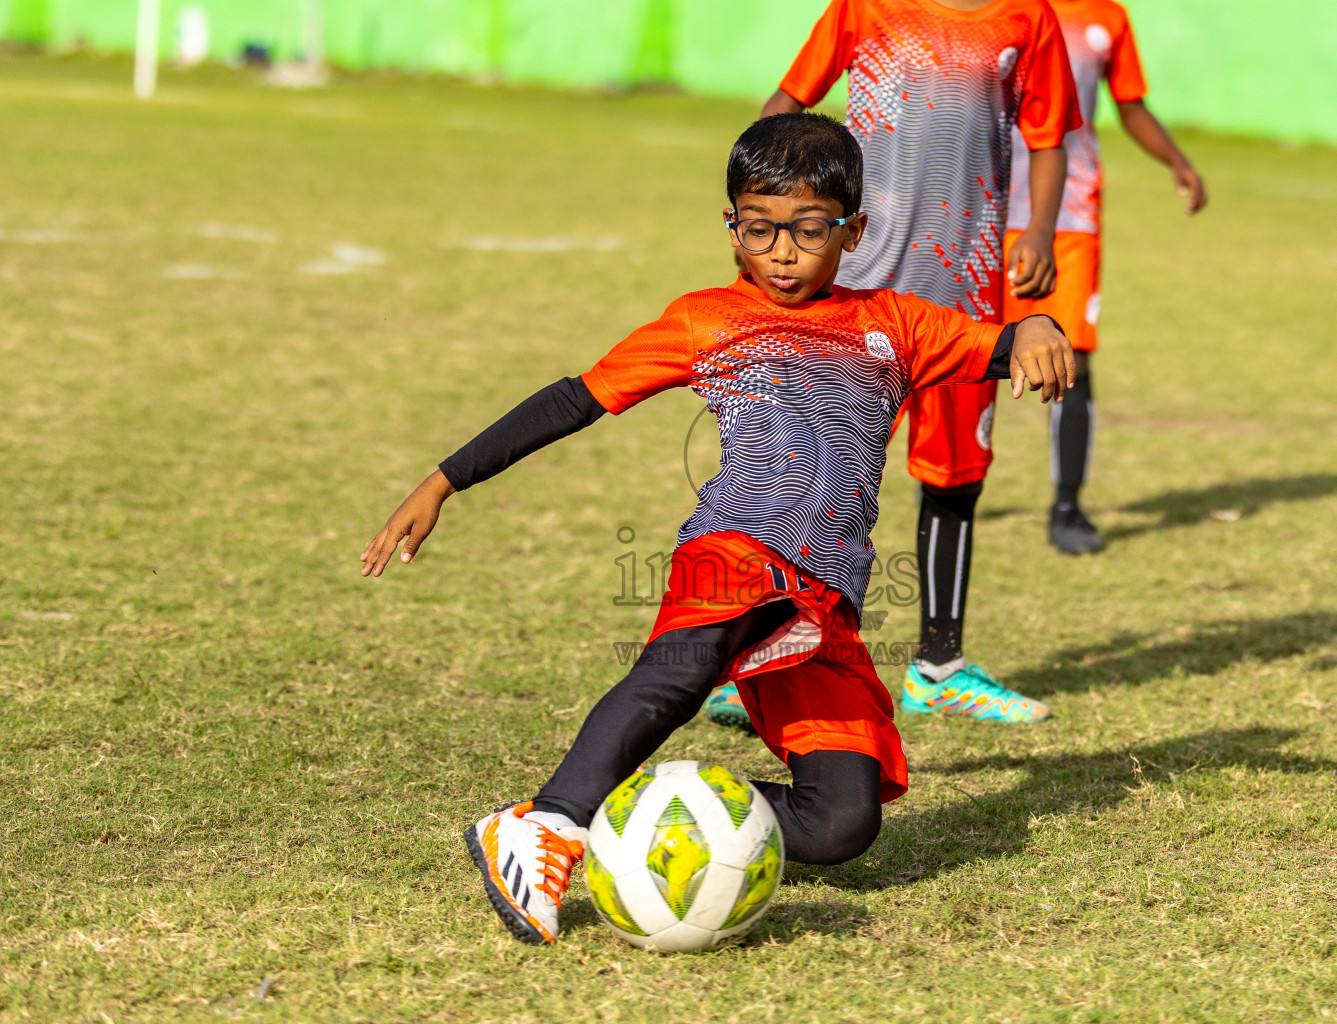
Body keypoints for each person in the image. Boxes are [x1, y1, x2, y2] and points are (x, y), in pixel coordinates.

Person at [359, 113, 1077, 944]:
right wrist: (445, 480)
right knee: (681, 670)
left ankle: (642, 823)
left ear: (853, 231)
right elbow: (573, 399)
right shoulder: (706, 320)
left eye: (807, 231)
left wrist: (1039, 327)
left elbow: (1003, 342)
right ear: (731, 225)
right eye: (757, 228)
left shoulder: (898, 326)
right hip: (738, 551)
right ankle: (547, 822)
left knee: (842, 823)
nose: (779, 251)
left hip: (823, 603)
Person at [706, 0, 1082, 736]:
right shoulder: (865, 6)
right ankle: (757, 655)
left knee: (955, 472)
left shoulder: (1027, 19)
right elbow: (787, 105)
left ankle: (938, 668)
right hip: (856, 291)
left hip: (965, 295)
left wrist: (1037, 232)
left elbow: (1049, 140)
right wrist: (775, 213)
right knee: (807, 468)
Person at [1004, 0, 1206, 555]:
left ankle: (1067, 506)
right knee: (941, 349)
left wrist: (1177, 161)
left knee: (1070, 356)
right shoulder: (1001, 7)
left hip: (1068, 215)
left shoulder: (1108, 17)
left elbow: (1131, 105)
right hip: (982, 201)